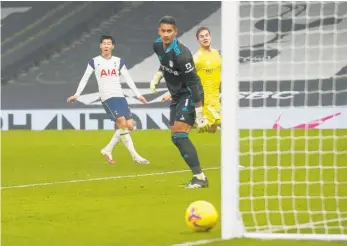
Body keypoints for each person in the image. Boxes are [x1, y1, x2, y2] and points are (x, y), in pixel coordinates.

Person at [67, 35, 150, 165]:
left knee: (130, 126)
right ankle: (135, 156)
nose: (106, 45)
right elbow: (85, 78)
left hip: (120, 96)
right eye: (104, 43)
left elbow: (128, 78)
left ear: (113, 46)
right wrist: (77, 94)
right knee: (122, 123)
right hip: (107, 97)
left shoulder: (118, 61)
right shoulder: (94, 61)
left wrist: (138, 95)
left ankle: (107, 149)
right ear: (100, 46)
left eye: (109, 43)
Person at [150, 16, 209, 188]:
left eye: (170, 31)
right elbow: (164, 62)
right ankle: (198, 177)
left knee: (179, 134)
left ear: (176, 32)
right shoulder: (157, 45)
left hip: (190, 94)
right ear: (158, 31)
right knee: (176, 138)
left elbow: (193, 83)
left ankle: (200, 178)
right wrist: (158, 76)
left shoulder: (182, 54)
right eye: (163, 31)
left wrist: (199, 113)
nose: (166, 34)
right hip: (176, 96)